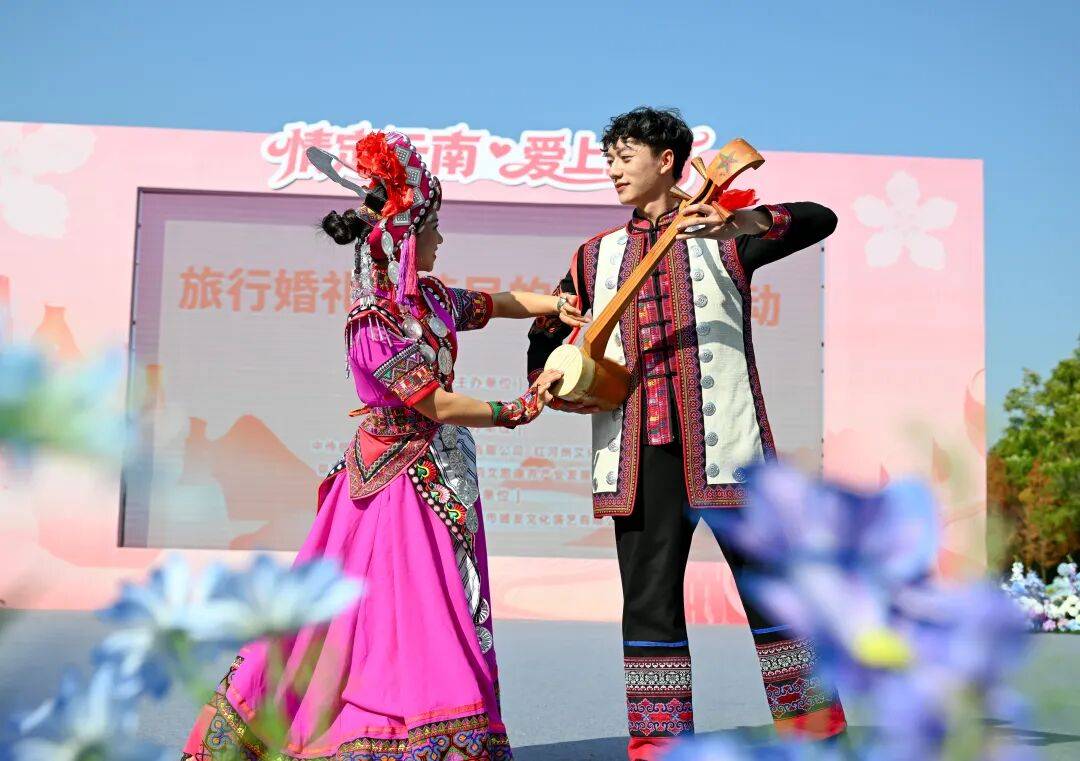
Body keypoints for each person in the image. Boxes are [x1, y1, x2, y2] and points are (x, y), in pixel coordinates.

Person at [182, 130, 573, 760]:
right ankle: (405, 728)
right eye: (434, 228)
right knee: (409, 609)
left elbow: (495, 303)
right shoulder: (375, 324)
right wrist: (520, 409)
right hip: (395, 486)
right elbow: (435, 405)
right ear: (408, 238)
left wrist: (557, 303)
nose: (442, 239)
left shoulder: (431, 298)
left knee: (420, 607)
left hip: (434, 472)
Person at [526, 107, 847, 760]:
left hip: (728, 449)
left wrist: (739, 221)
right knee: (649, 605)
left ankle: (817, 733)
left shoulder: (724, 234)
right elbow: (549, 334)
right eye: (609, 158)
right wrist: (551, 379)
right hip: (639, 455)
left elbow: (821, 218)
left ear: (666, 160)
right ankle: (659, 745)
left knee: (774, 594)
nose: (613, 169)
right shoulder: (594, 256)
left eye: (625, 156)